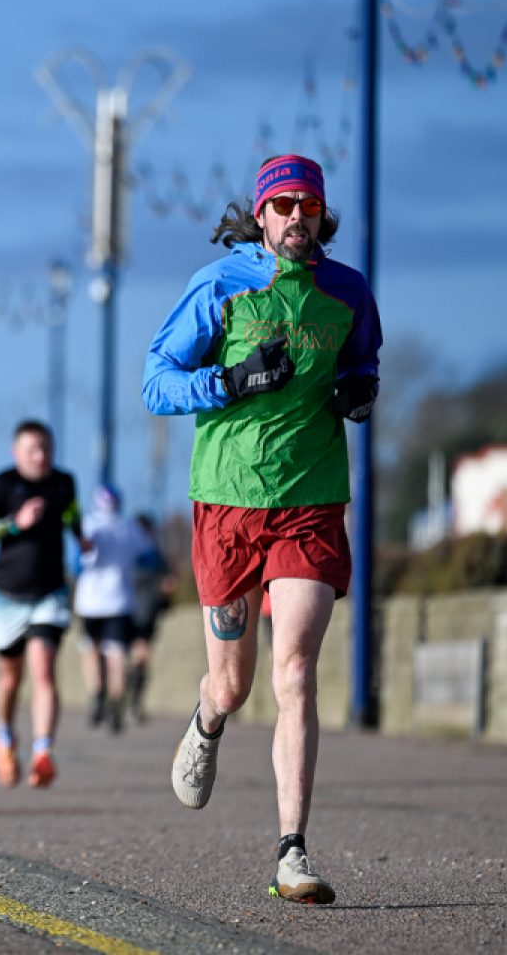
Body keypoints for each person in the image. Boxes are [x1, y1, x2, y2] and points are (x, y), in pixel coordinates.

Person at [142, 154, 382, 904]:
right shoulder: (219, 286)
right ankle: (208, 718)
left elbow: (363, 365)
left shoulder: (348, 291)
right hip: (228, 502)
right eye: (283, 206)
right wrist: (230, 380)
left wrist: (359, 392)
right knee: (235, 683)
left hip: (310, 500)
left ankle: (291, 852)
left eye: (308, 205)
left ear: (322, 213)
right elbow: (155, 382)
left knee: (296, 673)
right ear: (261, 215)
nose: (296, 217)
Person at [0, 419, 90, 789]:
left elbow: (72, 514)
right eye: (32, 449)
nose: (40, 456)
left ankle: (42, 752)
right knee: (10, 678)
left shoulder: (64, 482)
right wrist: (14, 523)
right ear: (16, 452)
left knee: (43, 672)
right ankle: (4, 738)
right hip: (6, 597)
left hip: (49, 594)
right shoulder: (1, 485)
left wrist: (81, 537)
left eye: (46, 448)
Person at [73, 484, 149, 735]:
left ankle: (96, 692)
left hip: (90, 602)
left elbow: (79, 561)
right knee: (117, 654)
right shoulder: (130, 527)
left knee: (91, 650)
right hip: (120, 600)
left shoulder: (88, 525)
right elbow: (148, 555)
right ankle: (116, 701)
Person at [126, 513, 176, 723]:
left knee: (134, 657)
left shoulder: (130, 551)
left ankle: (129, 700)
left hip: (132, 610)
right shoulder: (153, 553)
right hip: (140, 610)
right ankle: (132, 702)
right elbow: (169, 582)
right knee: (138, 657)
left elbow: (169, 582)